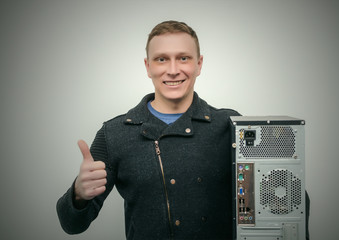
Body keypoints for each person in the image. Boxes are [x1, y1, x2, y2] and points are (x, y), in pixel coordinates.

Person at [57, 20, 240, 240]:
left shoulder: (231, 125)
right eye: (161, 59)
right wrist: (79, 194)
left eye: (183, 58)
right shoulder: (114, 133)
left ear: (199, 64)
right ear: (148, 67)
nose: (173, 70)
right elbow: (71, 224)